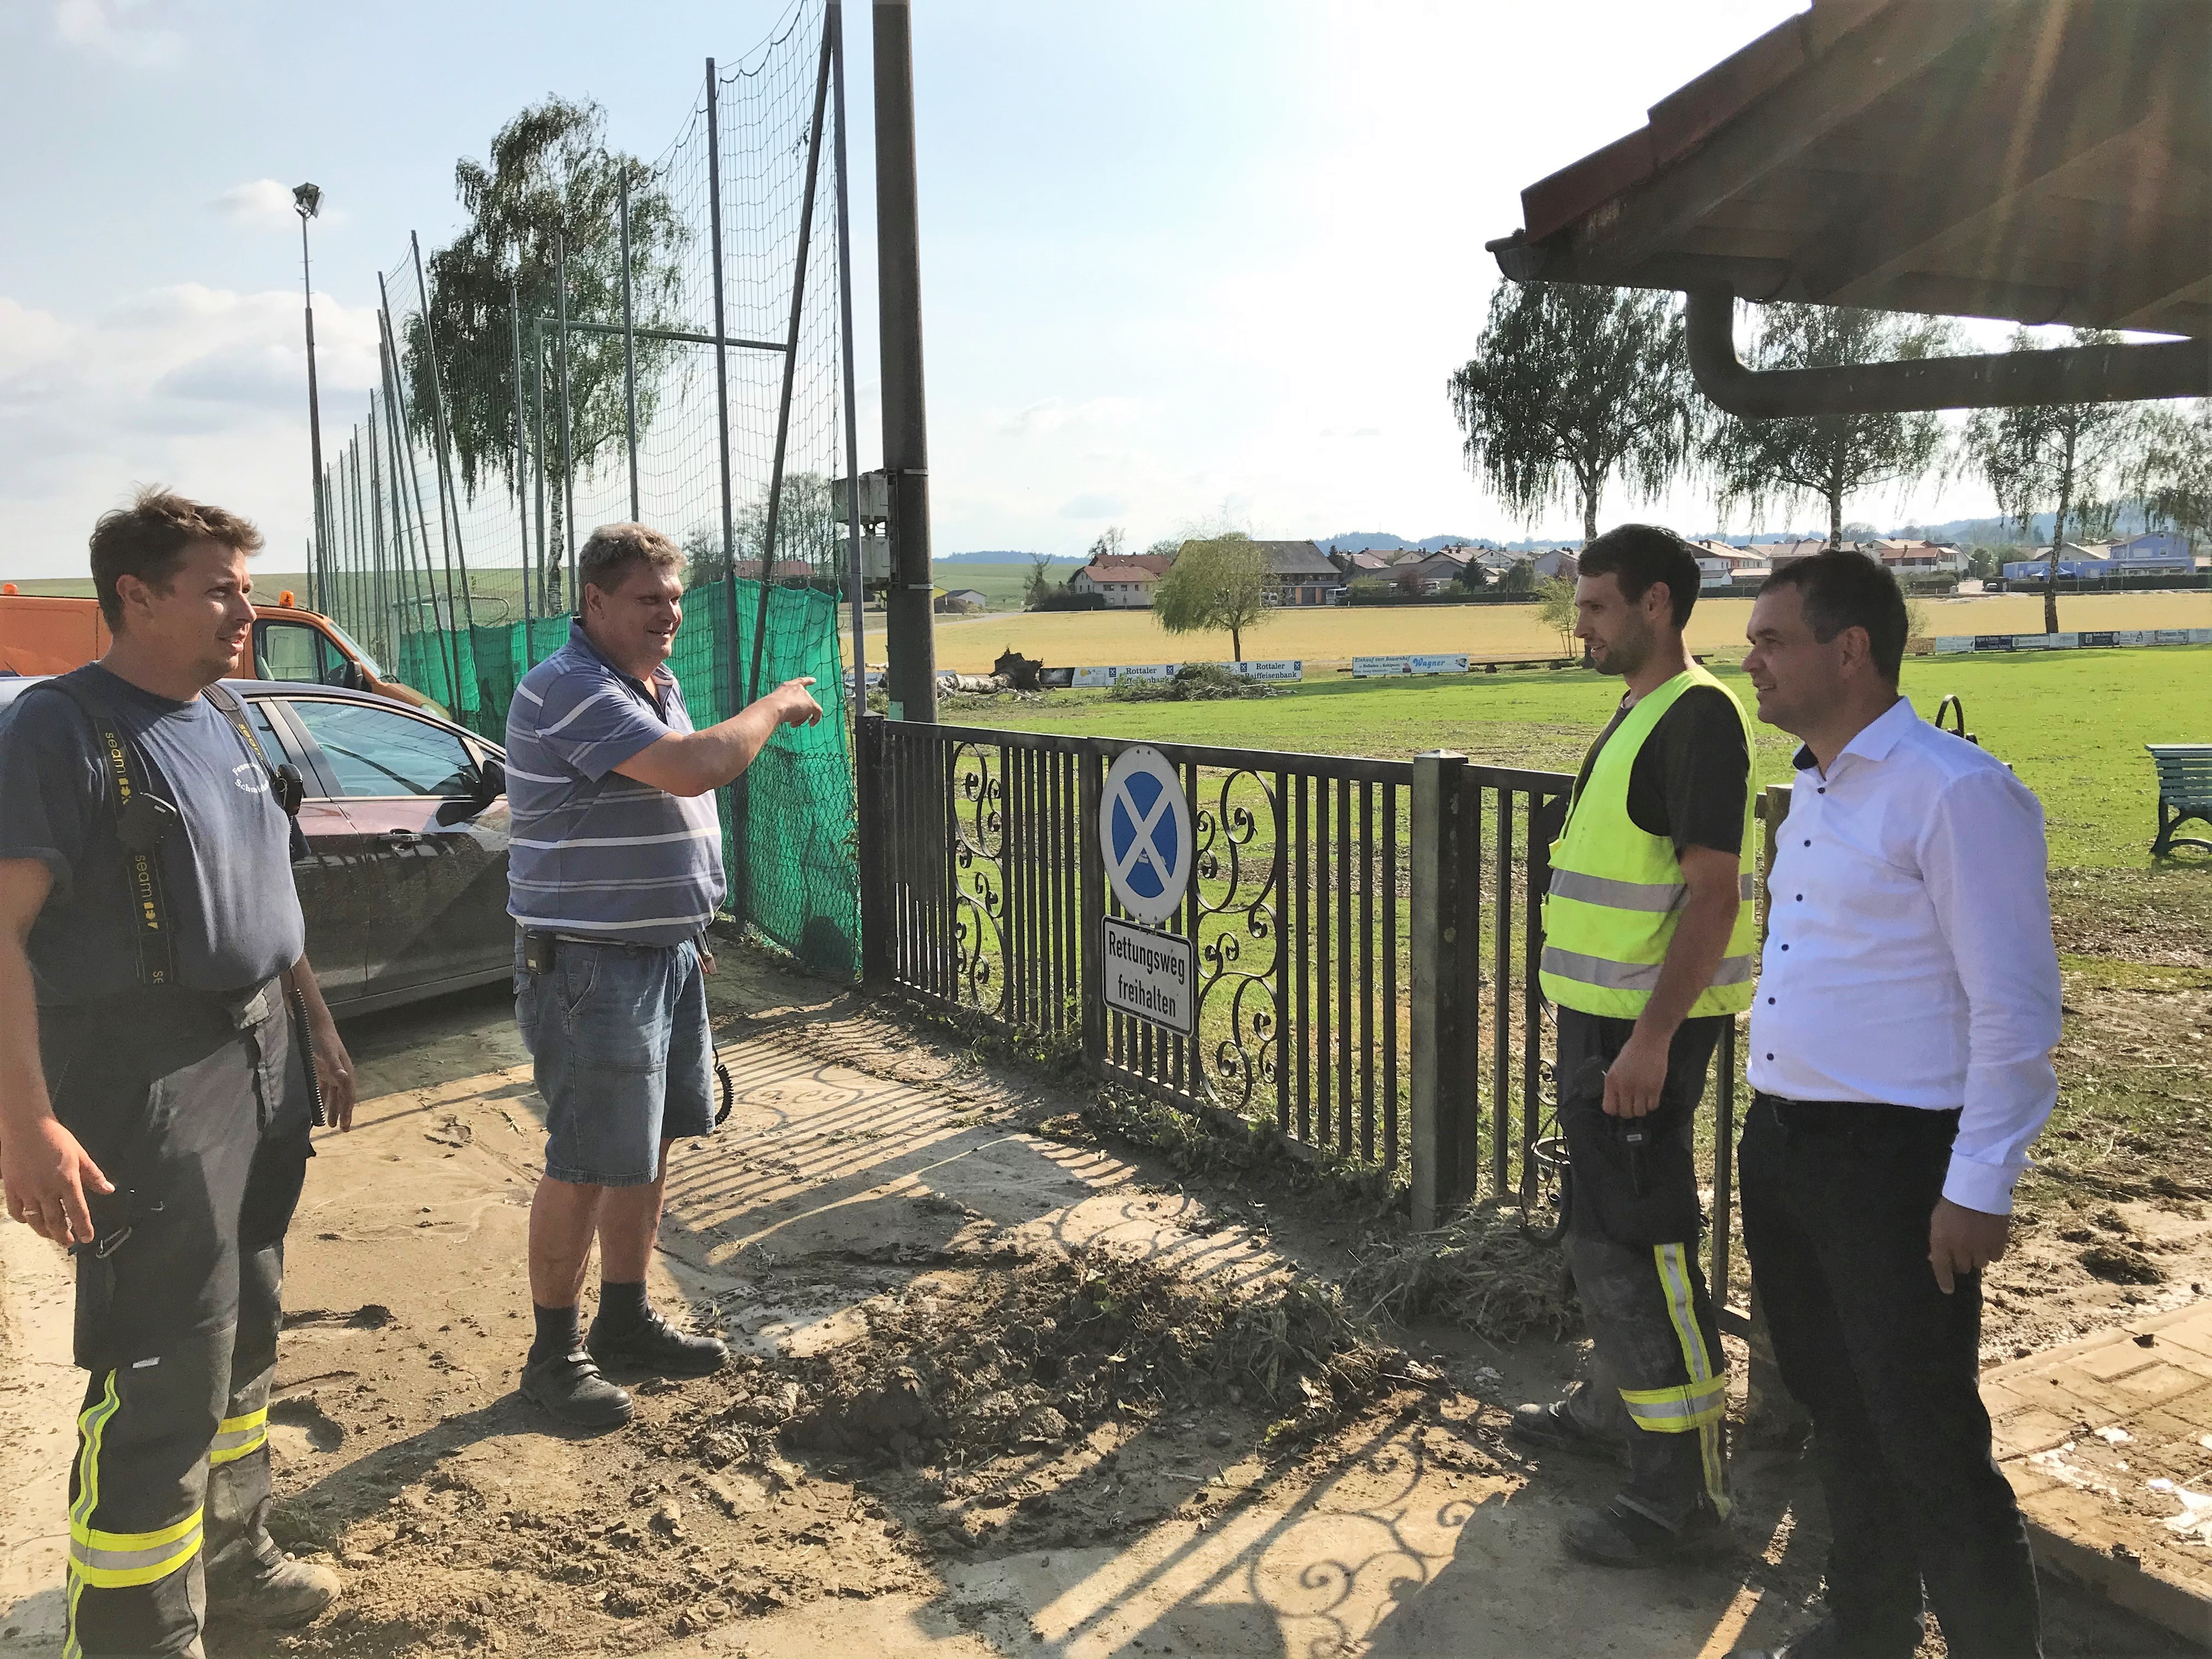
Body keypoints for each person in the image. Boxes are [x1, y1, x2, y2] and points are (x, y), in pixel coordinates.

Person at [0, 487, 359, 1657]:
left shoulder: (229, 717)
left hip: (260, 1055)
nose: (243, 612)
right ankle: (136, 1636)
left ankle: (235, 1557)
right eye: (218, 590)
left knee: (246, 1329)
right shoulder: (61, 728)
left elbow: (270, 894)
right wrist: (27, 1123)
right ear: (134, 596)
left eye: (245, 591)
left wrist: (314, 1024)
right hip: (141, 1076)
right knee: (162, 1364)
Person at [1727, 552, 2055, 1659]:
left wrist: (1979, 1185)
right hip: (1787, 1147)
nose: (1752, 658)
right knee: (1840, 1410)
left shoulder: (1955, 792)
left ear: (1850, 648)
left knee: (1927, 1439)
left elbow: (2013, 1010)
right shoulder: (1816, 788)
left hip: (1894, 1167)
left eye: (1773, 639)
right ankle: (1865, 1623)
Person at [506, 522, 821, 1427]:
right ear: (595, 601)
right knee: (585, 1160)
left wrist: (685, 929)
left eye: (675, 597)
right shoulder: (569, 686)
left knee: (648, 1147)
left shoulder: (652, 681)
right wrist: (773, 705)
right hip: (593, 967)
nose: (670, 614)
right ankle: (553, 1354)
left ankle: (626, 1321)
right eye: (650, 599)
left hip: (661, 955)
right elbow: (693, 770)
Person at [1510, 524, 1758, 1567]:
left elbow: (1714, 893)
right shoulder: (1644, 707)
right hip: (1607, 1019)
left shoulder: (1698, 717)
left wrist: (1651, 1041)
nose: (1582, 627)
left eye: (1597, 608)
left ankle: (1680, 1500)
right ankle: (1617, 1411)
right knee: (1603, 1227)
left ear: (1657, 604)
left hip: (1641, 1030)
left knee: (1644, 1242)